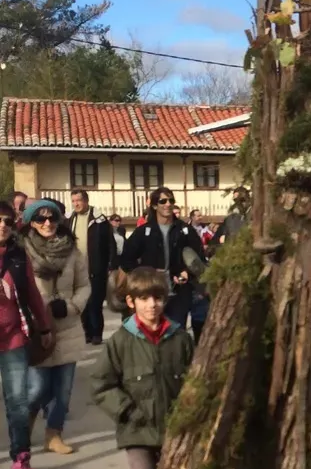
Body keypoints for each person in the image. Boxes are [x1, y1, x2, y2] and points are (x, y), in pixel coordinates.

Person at [91, 266, 194, 469]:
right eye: (144, 298)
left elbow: (194, 382)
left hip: (172, 430)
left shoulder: (180, 339)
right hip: (136, 430)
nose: (152, 305)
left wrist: (189, 419)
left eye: (158, 297)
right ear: (131, 301)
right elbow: (101, 384)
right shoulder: (121, 341)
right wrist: (126, 411)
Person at [22, 199, 91, 455]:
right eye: (41, 219)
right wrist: (35, 314)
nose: (48, 223)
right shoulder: (23, 253)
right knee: (37, 389)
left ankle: (54, 434)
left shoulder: (73, 251)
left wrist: (72, 306)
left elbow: (85, 285)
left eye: (52, 218)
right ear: (32, 223)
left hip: (68, 326)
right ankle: (23, 429)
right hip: (38, 328)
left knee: (63, 390)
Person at [0, 200, 53, 469]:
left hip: (13, 338)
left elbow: (32, 292)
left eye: (8, 222)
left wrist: (44, 328)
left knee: (18, 402)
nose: (3, 226)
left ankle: (21, 459)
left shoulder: (19, 256)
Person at [119, 188, 205, 329]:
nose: (168, 204)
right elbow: (126, 260)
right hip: (151, 293)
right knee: (152, 332)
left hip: (179, 293)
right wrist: (146, 274)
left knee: (176, 332)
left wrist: (187, 273)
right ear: (154, 206)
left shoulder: (186, 231)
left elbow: (200, 259)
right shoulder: (143, 232)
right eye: (163, 201)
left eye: (171, 200)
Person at [69, 188, 116, 346]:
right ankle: (86, 333)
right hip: (76, 269)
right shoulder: (69, 219)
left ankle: (97, 334)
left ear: (86, 201)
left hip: (96, 268)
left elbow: (110, 244)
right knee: (81, 303)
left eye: (78, 200)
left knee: (95, 303)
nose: (76, 204)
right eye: (73, 201)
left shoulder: (99, 220)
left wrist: (111, 265)